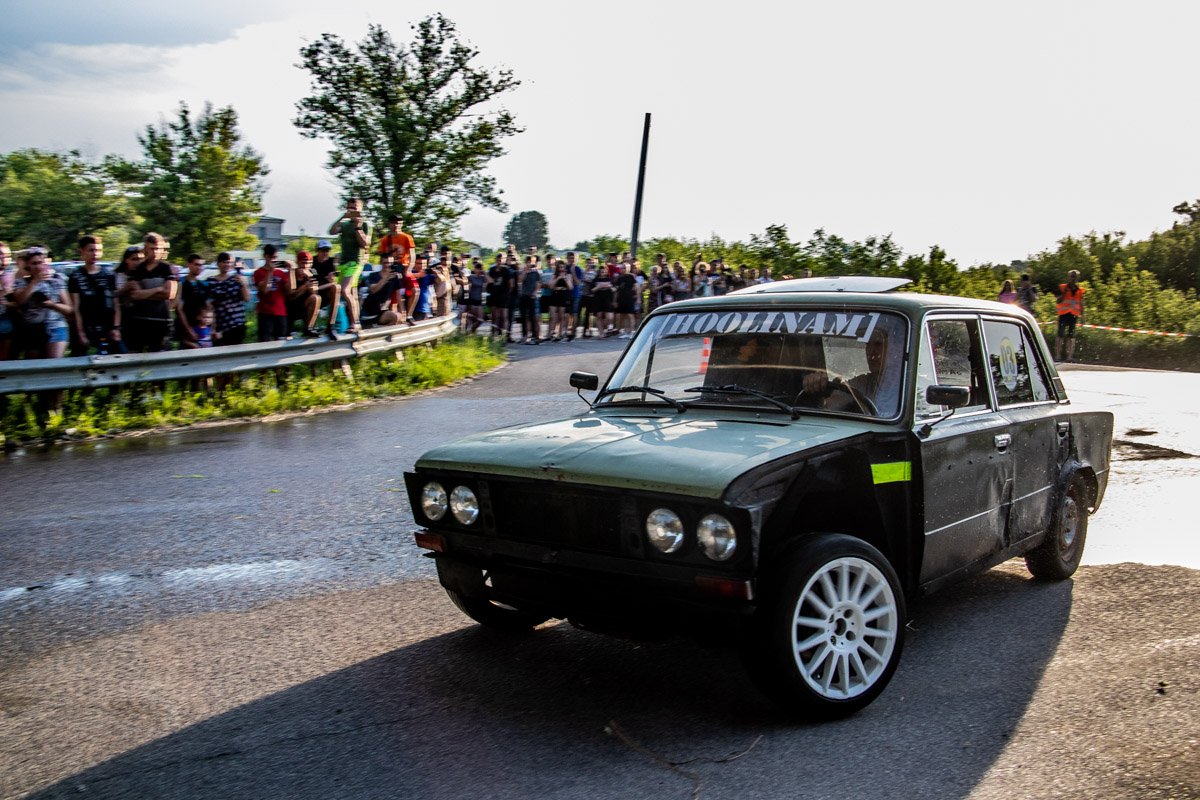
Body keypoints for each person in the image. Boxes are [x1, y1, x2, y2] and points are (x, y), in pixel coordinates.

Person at [11, 246, 72, 359]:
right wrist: (35, 282)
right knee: (34, 364)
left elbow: (69, 309)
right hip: (33, 329)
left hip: (55, 325)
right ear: (28, 265)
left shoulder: (57, 280)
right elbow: (20, 301)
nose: (38, 266)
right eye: (34, 263)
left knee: (54, 361)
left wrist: (53, 305)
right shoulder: (22, 282)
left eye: (40, 262)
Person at [122, 232, 177, 353]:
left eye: (158, 249)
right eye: (152, 249)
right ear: (146, 249)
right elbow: (135, 295)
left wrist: (145, 293)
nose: (155, 252)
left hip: (162, 321)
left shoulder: (166, 268)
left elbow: (169, 294)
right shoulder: (138, 269)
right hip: (141, 321)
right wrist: (158, 289)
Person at [68, 235, 123, 356]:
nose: (95, 254)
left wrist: (116, 327)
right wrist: (80, 333)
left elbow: (115, 303)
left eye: (97, 250)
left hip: (107, 327)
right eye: (91, 250)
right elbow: (76, 308)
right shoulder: (76, 276)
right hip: (87, 326)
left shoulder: (108, 274)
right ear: (82, 251)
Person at [328, 197, 370, 331]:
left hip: (354, 262)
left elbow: (365, 244)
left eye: (355, 208)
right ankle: (354, 321)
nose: (352, 211)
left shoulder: (364, 225)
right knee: (352, 293)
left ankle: (354, 322)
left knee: (345, 291)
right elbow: (332, 231)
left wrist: (358, 227)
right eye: (350, 208)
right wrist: (342, 217)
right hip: (344, 262)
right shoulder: (345, 225)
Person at [207, 252, 250, 345]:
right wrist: (212, 328)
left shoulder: (236, 279)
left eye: (230, 262)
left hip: (237, 323)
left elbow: (247, 298)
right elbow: (210, 306)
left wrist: (243, 284)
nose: (227, 265)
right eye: (225, 262)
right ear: (218, 263)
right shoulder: (211, 281)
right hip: (220, 325)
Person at [253, 244, 290, 342]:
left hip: (280, 312)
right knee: (265, 342)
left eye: (275, 257)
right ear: (265, 256)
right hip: (265, 312)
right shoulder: (258, 272)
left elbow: (290, 291)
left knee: (281, 340)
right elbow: (264, 290)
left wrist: (291, 271)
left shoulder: (281, 273)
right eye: (270, 257)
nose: (273, 260)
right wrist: (269, 272)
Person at [174, 253, 210, 349]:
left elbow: (208, 307)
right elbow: (179, 309)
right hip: (185, 329)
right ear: (189, 265)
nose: (199, 267)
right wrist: (189, 329)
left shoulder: (202, 285)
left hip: (201, 329)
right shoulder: (181, 283)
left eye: (201, 265)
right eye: (196, 264)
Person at [360, 252, 403, 328]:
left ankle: (382, 330)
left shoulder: (395, 277)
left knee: (398, 316)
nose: (388, 265)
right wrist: (385, 278)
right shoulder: (373, 275)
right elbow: (373, 290)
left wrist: (403, 311)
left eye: (390, 263)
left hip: (383, 310)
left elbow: (399, 296)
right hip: (370, 309)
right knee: (393, 316)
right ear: (381, 262)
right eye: (385, 263)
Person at [285, 250, 322, 337]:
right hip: (290, 307)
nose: (305, 266)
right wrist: (304, 287)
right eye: (303, 263)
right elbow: (290, 295)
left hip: (304, 307)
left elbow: (315, 293)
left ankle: (309, 328)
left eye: (308, 263)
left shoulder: (312, 272)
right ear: (298, 262)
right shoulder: (292, 273)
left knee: (316, 298)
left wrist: (309, 278)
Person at [312, 239, 342, 336]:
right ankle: (311, 325)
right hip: (312, 291)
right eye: (323, 250)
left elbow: (333, 281)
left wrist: (330, 280)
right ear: (318, 250)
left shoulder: (331, 262)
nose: (325, 253)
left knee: (335, 288)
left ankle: (330, 325)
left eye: (327, 250)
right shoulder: (312, 262)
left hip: (325, 290)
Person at [1054, 270, 1085, 362]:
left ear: (1077, 278)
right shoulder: (1063, 287)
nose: (1073, 278)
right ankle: (1058, 355)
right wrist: (1064, 294)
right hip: (1063, 314)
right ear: (1069, 277)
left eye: (1074, 276)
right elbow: (1058, 301)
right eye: (1071, 276)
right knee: (1060, 335)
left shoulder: (1079, 290)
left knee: (1071, 336)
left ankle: (1069, 356)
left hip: (1073, 315)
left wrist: (1083, 316)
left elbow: (1081, 303)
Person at [517, 256, 543, 343]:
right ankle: (525, 335)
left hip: (532, 297)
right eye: (528, 262)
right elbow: (520, 281)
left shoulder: (536, 273)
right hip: (524, 296)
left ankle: (535, 336)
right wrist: (525, 272)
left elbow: (538, 284)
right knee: (524, 317)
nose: (530, 263)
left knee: (533, 317)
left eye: (532, 262)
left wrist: (535, 292)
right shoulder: (522, 271)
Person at [486, 253, 512, 338]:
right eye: (498, 259)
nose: (500, 261)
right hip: (494, 295)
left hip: (504, 296)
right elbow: (489, 281)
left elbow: (511, 284)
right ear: (496, 260)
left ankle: (504, 335)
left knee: (504, 316)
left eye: (501, 259)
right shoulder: (492, 270)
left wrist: (508, 294)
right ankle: (493, 334)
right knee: (494, 316)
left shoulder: (507, 270)